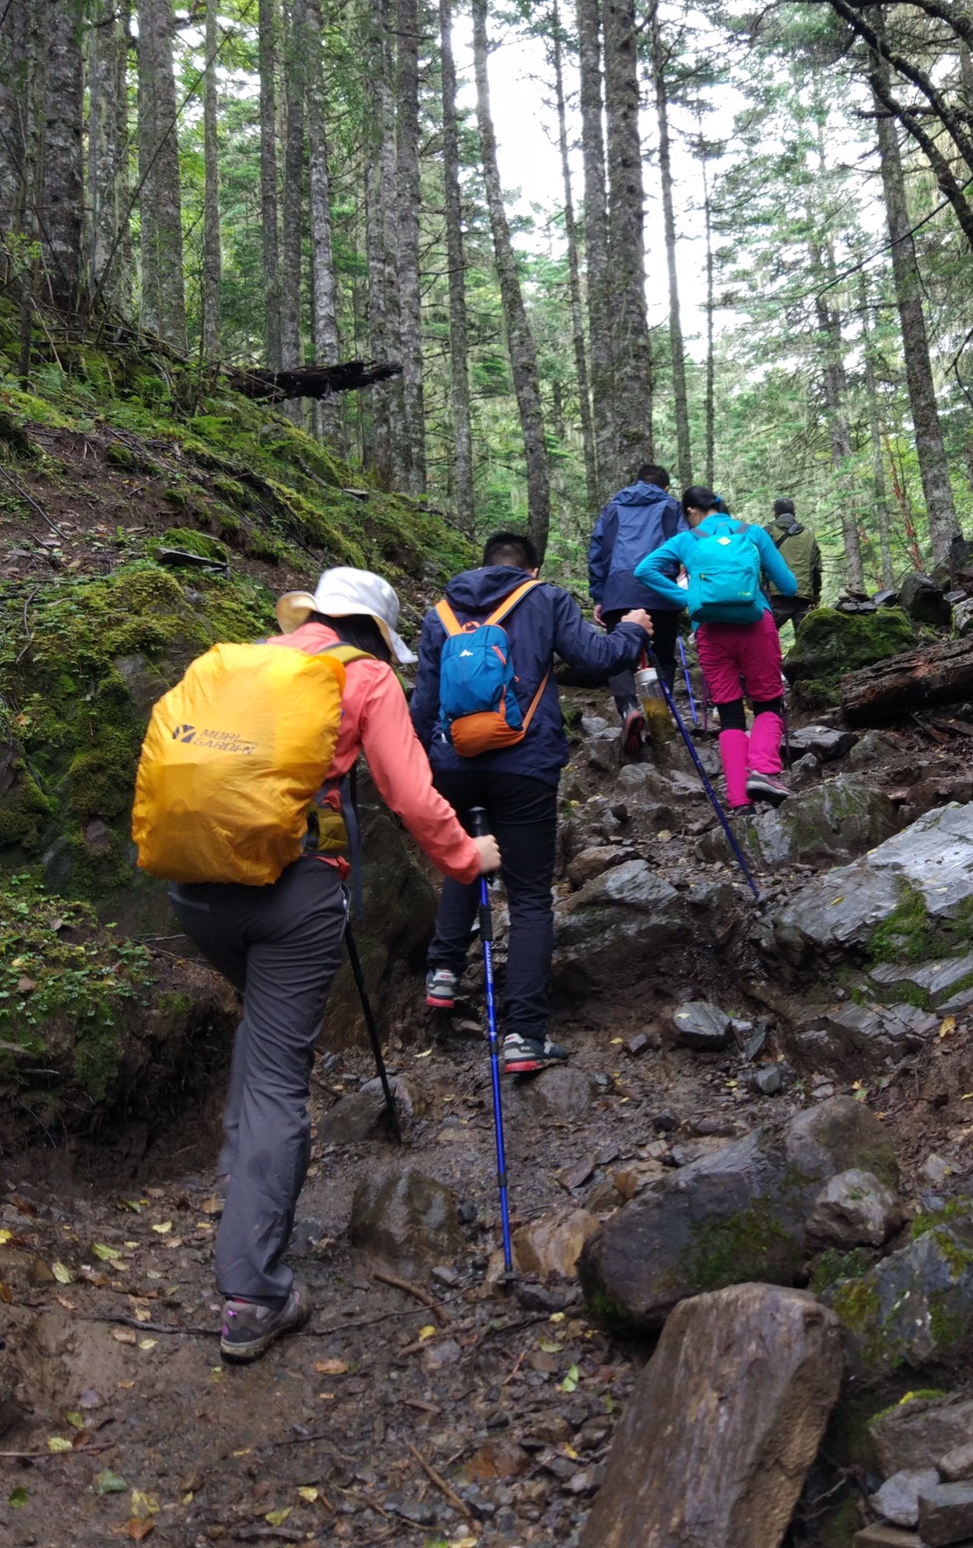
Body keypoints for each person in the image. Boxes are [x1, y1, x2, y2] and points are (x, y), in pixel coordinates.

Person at [166, 568, 499, 1365]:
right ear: (374, 631)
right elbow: (412, 797)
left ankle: (246, 1191)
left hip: (193, 891)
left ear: (314, 612)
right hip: (292, 900)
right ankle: (255, 1293)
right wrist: (466, 858)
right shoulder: (366, 676)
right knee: (279, 1074)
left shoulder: (238, 663)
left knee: (263, 1050)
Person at [410, 530, 651, 1071]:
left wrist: (424, 774)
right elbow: (595, 658)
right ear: (531, 570)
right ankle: (523, 1033)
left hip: (453, 764)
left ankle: (444, 972)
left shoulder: (441, 615)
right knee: (529, 897)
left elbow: (422, 706)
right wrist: (632, 631)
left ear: (483, 566)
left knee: (466, 859)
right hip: (524, 765)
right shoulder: (545, 598)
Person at [635, 487, 797, 810]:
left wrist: (688, 599)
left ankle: (739, 799)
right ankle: (763, 770)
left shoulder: (686, 540)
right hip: (756, 626)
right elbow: (790, 586)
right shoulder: (752, 533)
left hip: (710, 631)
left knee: (730, 714)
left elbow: (644, 570)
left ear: (692, 511)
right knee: (768, 701)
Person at [587, 463, 683, 755]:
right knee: (664, 657)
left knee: (618, 656)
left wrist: (599, 594)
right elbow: (684, 544)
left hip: (619, 587)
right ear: (664, 486)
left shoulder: (613, 507)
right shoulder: (671, 506)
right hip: (660, 585)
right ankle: (659, 719)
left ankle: (629, 708)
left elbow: (598, 551)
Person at [765, 498, 822, 634]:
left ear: (775, 513)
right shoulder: (808, 535)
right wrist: (816, 595)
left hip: (776, 595)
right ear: (794, 513)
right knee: (807, 641)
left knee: (765, 636)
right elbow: (815, 568)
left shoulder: (768, 531)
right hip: (803, 596)